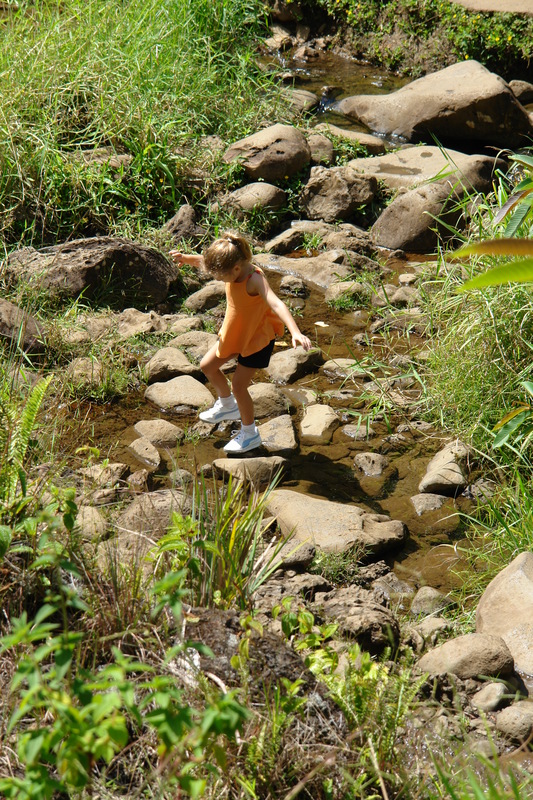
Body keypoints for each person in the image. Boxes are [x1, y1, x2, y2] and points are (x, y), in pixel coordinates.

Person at [170, 232, 312, 454]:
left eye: (220, 276)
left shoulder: (254, 279)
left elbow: (276, 304)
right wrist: (186, 258)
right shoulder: (231, 266)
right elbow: (205, 261)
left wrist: (295, 331)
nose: (217, 279)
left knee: (238, 386)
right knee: (207, 366)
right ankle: (227, 405)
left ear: (236, 268)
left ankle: (249, 433)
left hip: (256, 341)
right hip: (235, 334)